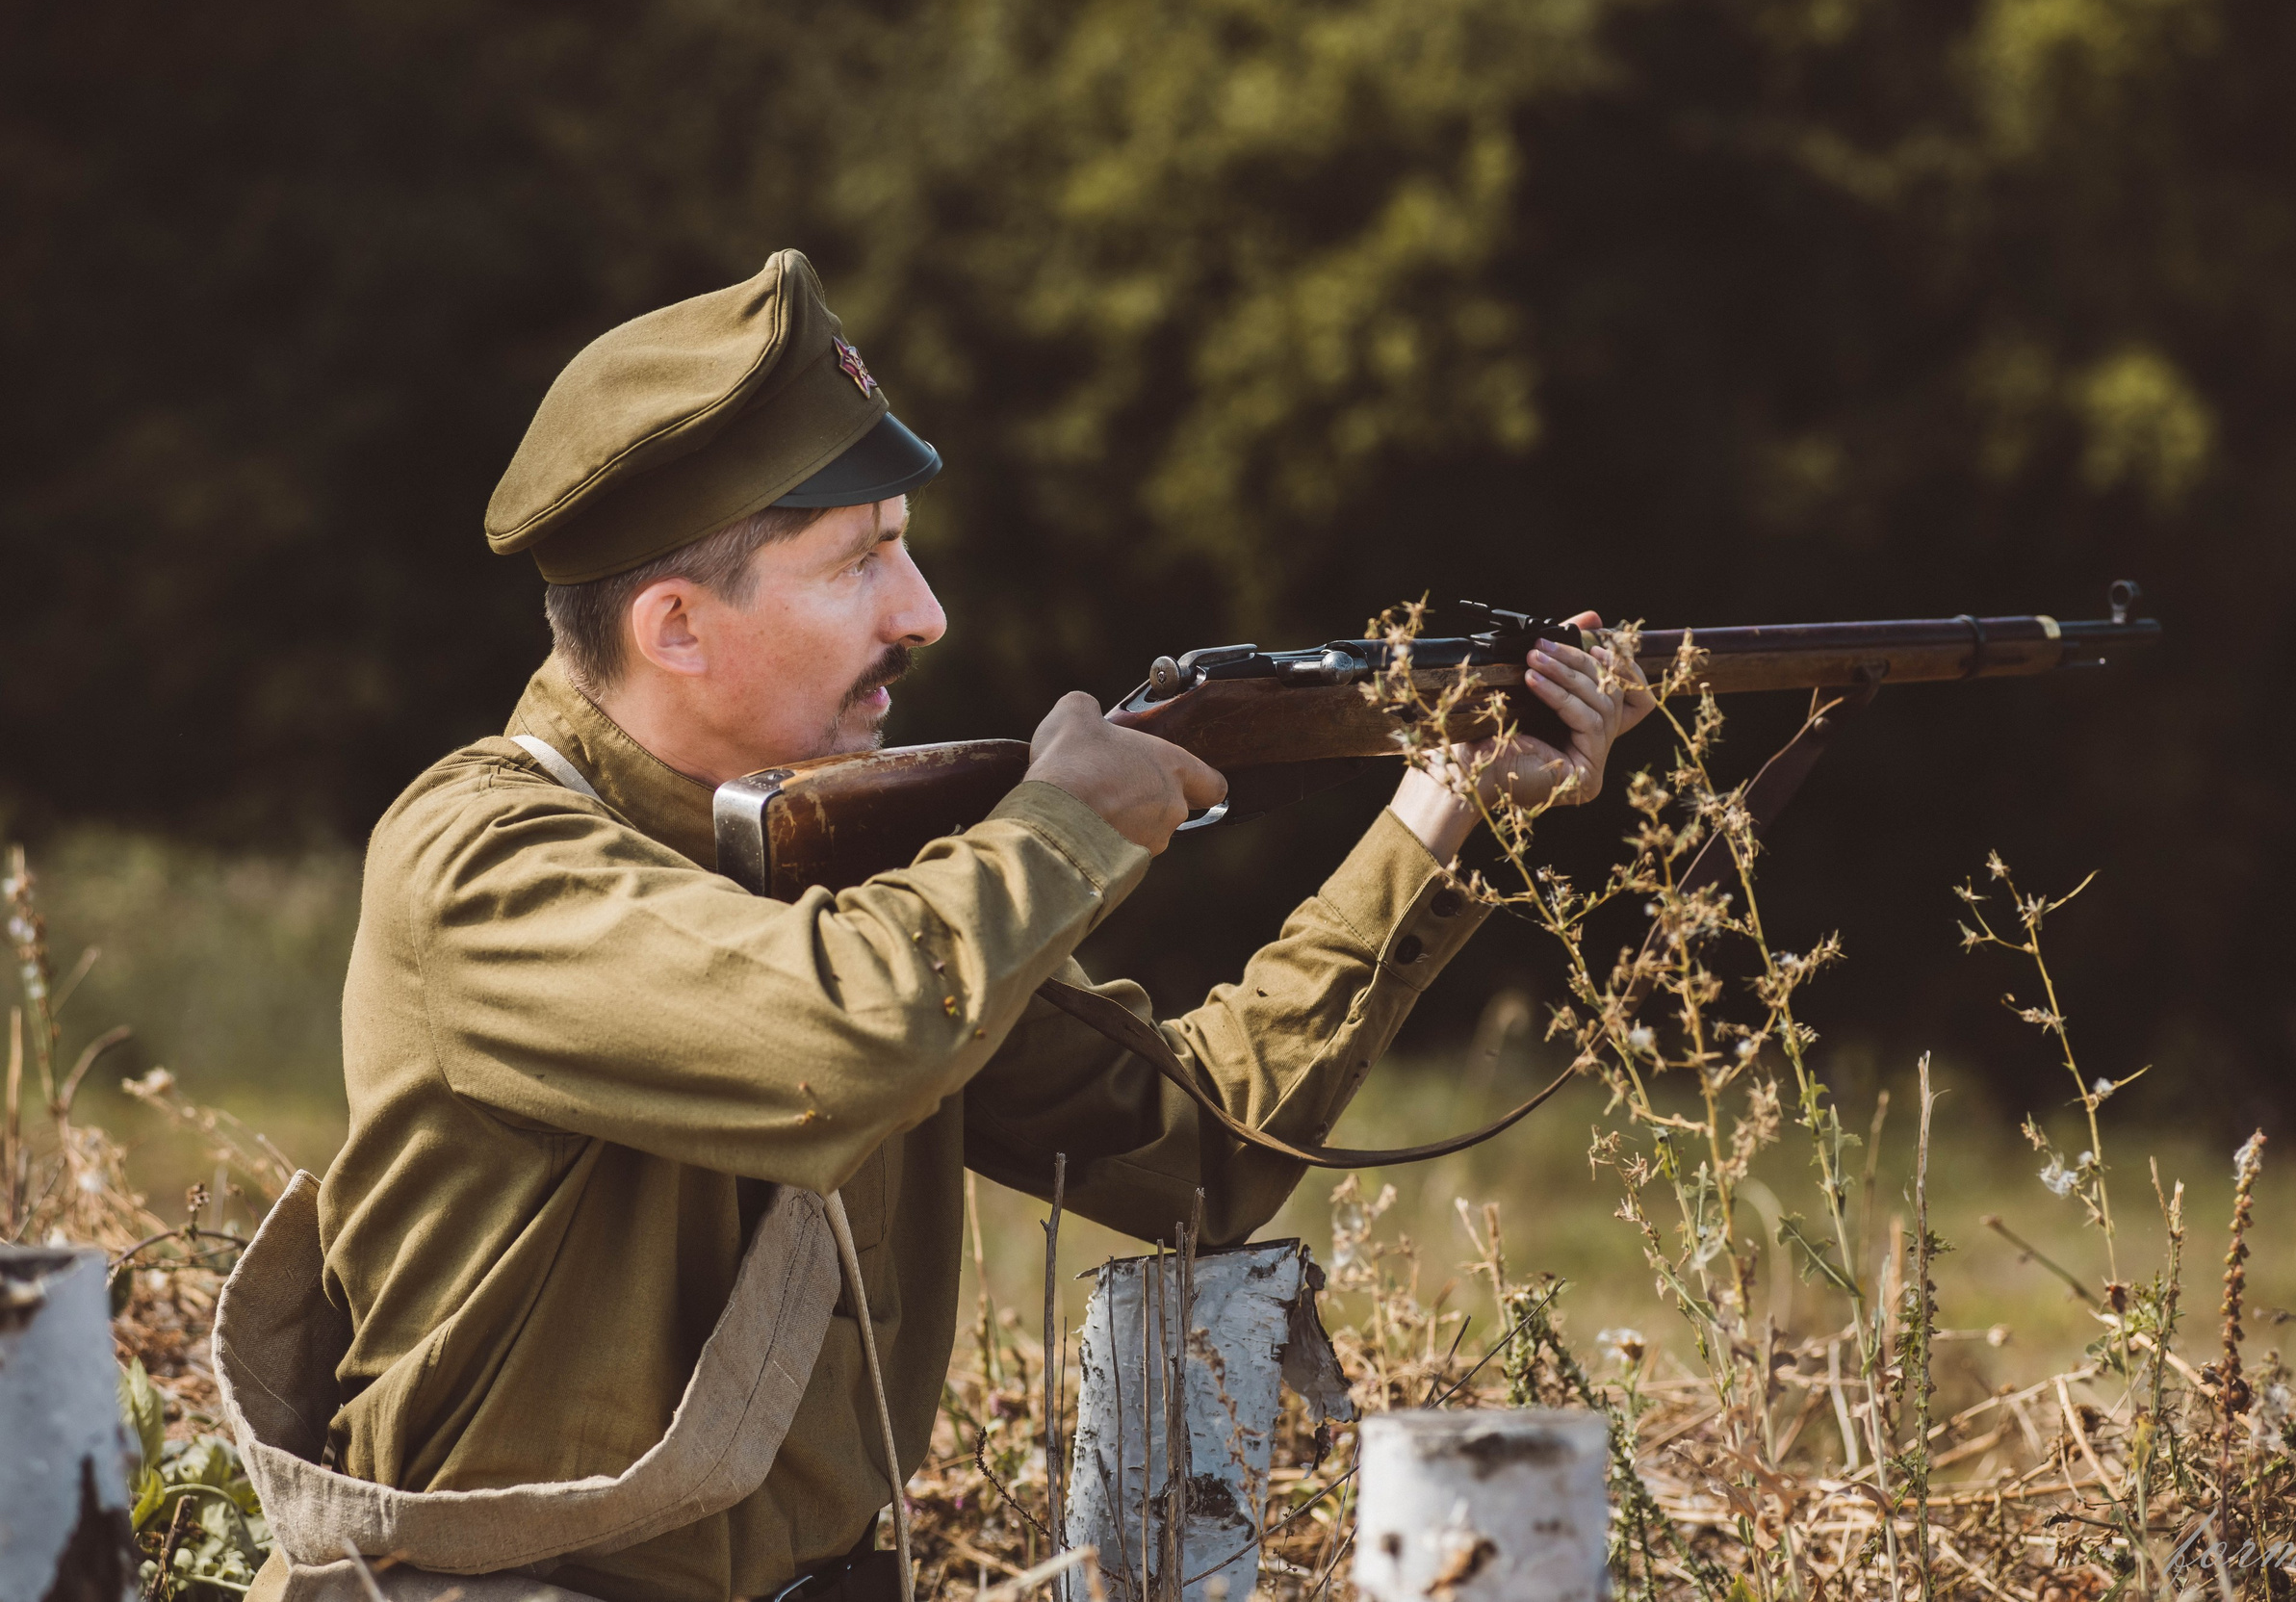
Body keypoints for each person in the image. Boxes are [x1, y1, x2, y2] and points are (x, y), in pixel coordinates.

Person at [218, 251, 1646, 1602]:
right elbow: (834, 1038)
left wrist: (1445, 807)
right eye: (860, 562)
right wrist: (1070, 823)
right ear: (675, 628)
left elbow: (1199, 1149)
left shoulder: (852, 880)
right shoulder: (480, 860)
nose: (927, 612)